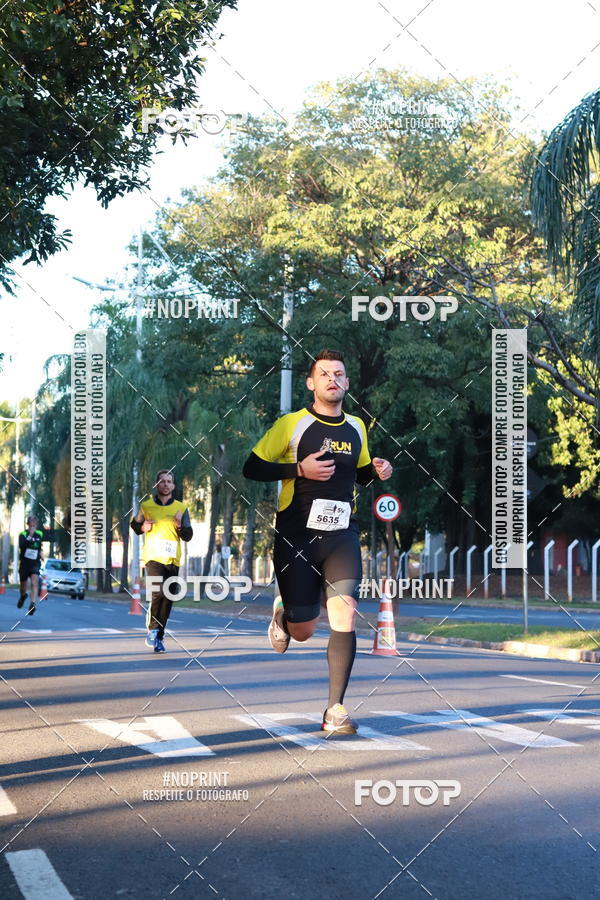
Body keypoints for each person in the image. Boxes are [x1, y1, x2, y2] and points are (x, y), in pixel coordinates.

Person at [243, 349, 393, 734]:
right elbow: (252, 466)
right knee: (304, 630)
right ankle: (284, 614)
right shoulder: (292, 424)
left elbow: (359, 473)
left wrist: (376, 470)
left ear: (347, 383)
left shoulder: (357, 427)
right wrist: (299, 468)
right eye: (324, 374)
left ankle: (334, 709)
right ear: (311, 383)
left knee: (345, 610)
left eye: (339, 374)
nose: (332, 379)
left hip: (341, 535)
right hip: (296, 536)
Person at [130, 469, 193, 653]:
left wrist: (179, 525)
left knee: (168, 597)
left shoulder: (181, 508)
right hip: (153, 557)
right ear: (157, 485)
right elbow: (135, 525)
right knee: (158, 592)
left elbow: (188, 535)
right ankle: (152, 629)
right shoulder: (146, 506)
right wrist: (143, 527)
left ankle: (159, 636)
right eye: (162, 481)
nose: (165, 484)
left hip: (173, 559)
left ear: (173, 486)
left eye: (169, 481)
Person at [17, 514, 43, 615]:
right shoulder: (23, 534)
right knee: (23, 586)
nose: (33, 526)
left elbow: (39, 546)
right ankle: (23, 596)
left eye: (35, 524)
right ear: (28, 524)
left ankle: (32, 604)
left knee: (34, 582)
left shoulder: (39, 534)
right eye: (31, 523)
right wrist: (30, 536)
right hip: (25, 563)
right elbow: (22, 546)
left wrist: (41, 554)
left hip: (35, 563)